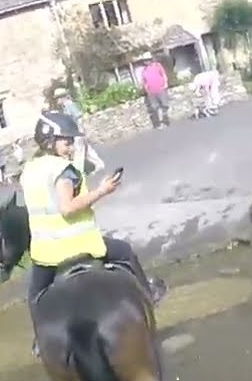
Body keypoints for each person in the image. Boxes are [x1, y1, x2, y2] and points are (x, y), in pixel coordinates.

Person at [22, 111, 167, 357]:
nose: (70, 147)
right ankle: (148, 293)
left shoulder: (31, 170)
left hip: (46, 253)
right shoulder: (62, 169)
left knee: (34, 295)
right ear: (50, 141)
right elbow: (67, 207)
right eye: (66, 142)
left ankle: (40, 340)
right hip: (79, 244)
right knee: (125, 252)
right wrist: (102, 190)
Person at [53, 87, 105, 176]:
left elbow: (79, 118)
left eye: (58, 98)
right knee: (87, 150)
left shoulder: (70, 105)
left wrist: (82, 131)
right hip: (75, 132)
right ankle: (99, 165)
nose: (57, 100)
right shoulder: (66, 107)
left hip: (77, 133)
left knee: (79, 152)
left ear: (62, 97)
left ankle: (80, 172)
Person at [139, 54, 171, 129]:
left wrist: (165, 84)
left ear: (151, 59)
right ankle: (160, 123)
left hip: (161, 88)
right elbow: (144, 81)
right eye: (145, 60)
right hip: (151, 92)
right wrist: (147, 90)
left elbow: (163, 74)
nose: (146, 61)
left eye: (148, 60)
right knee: (155, 107)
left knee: (164, 105)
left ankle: (165, 119)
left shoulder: (157, 65)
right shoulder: (144, 70)